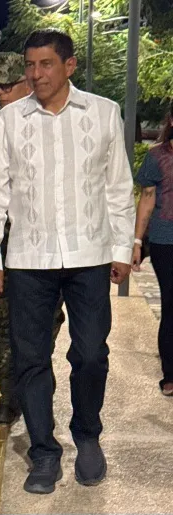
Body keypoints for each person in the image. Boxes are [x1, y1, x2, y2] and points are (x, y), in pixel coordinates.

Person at [0, 29, 135, 494]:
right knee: (30, 358)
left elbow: (118, 187)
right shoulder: (10, 120)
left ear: (69, 66)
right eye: (30, 65)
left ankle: (87, 435)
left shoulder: (103, 113)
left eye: (45, 64)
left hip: (90, 255)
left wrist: (121, 250)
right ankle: (44, 452)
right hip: (29, 258)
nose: (35, 74)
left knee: (90, 354)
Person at [0, 52, 66, 425]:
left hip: (46, 245)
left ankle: (34, 380)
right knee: (3, 321)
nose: (2, 93)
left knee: (44, 321)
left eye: (10, 85)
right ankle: (10, 395)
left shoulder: (54, 122)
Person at [133, 101, 173, 396]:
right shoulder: (157, 156)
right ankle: (170, 373)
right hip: (165, 240)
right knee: (171, 303)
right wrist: (136, 242)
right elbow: (147, 199)